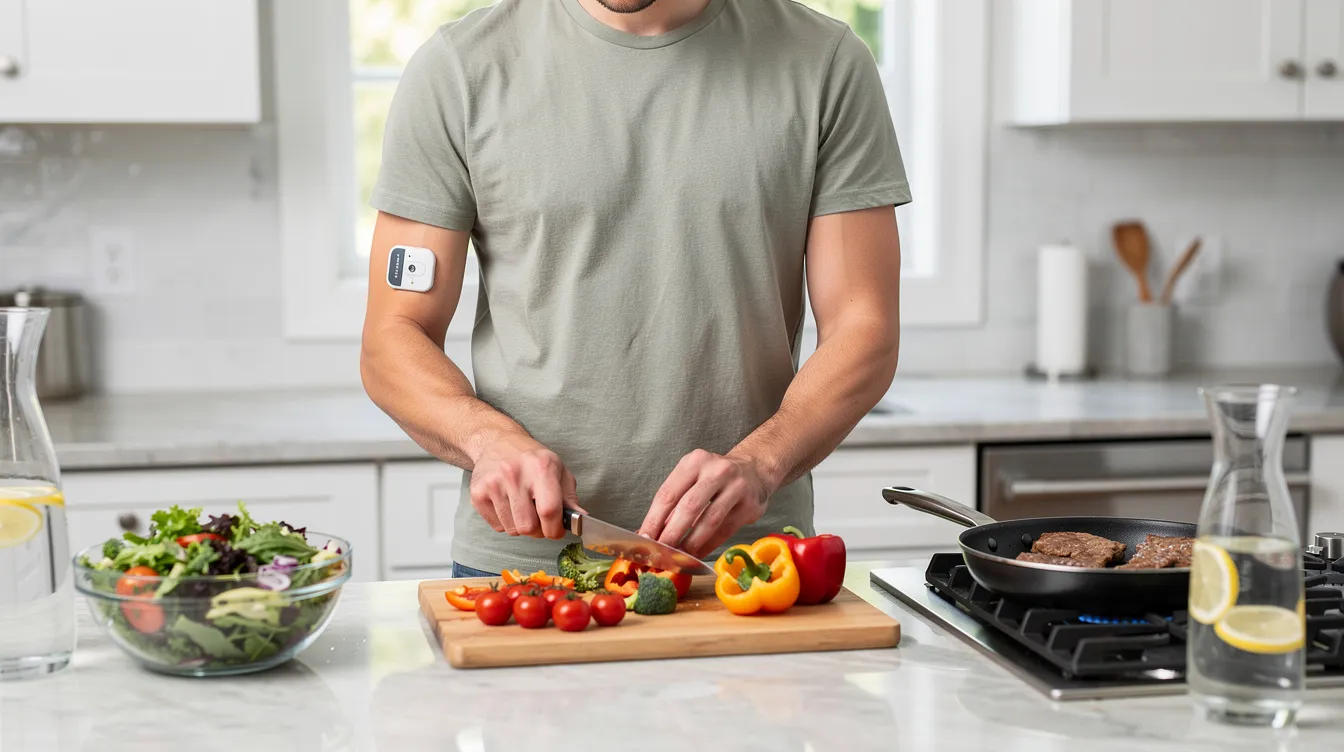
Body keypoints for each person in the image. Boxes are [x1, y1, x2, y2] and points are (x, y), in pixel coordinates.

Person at [360, 0, 907, 578]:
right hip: (525, 569)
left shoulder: (824, 63)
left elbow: (863, 325)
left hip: (750, 566)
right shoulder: (459, 70)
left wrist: (760, 463)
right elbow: (394, 336)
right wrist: (485, 439)